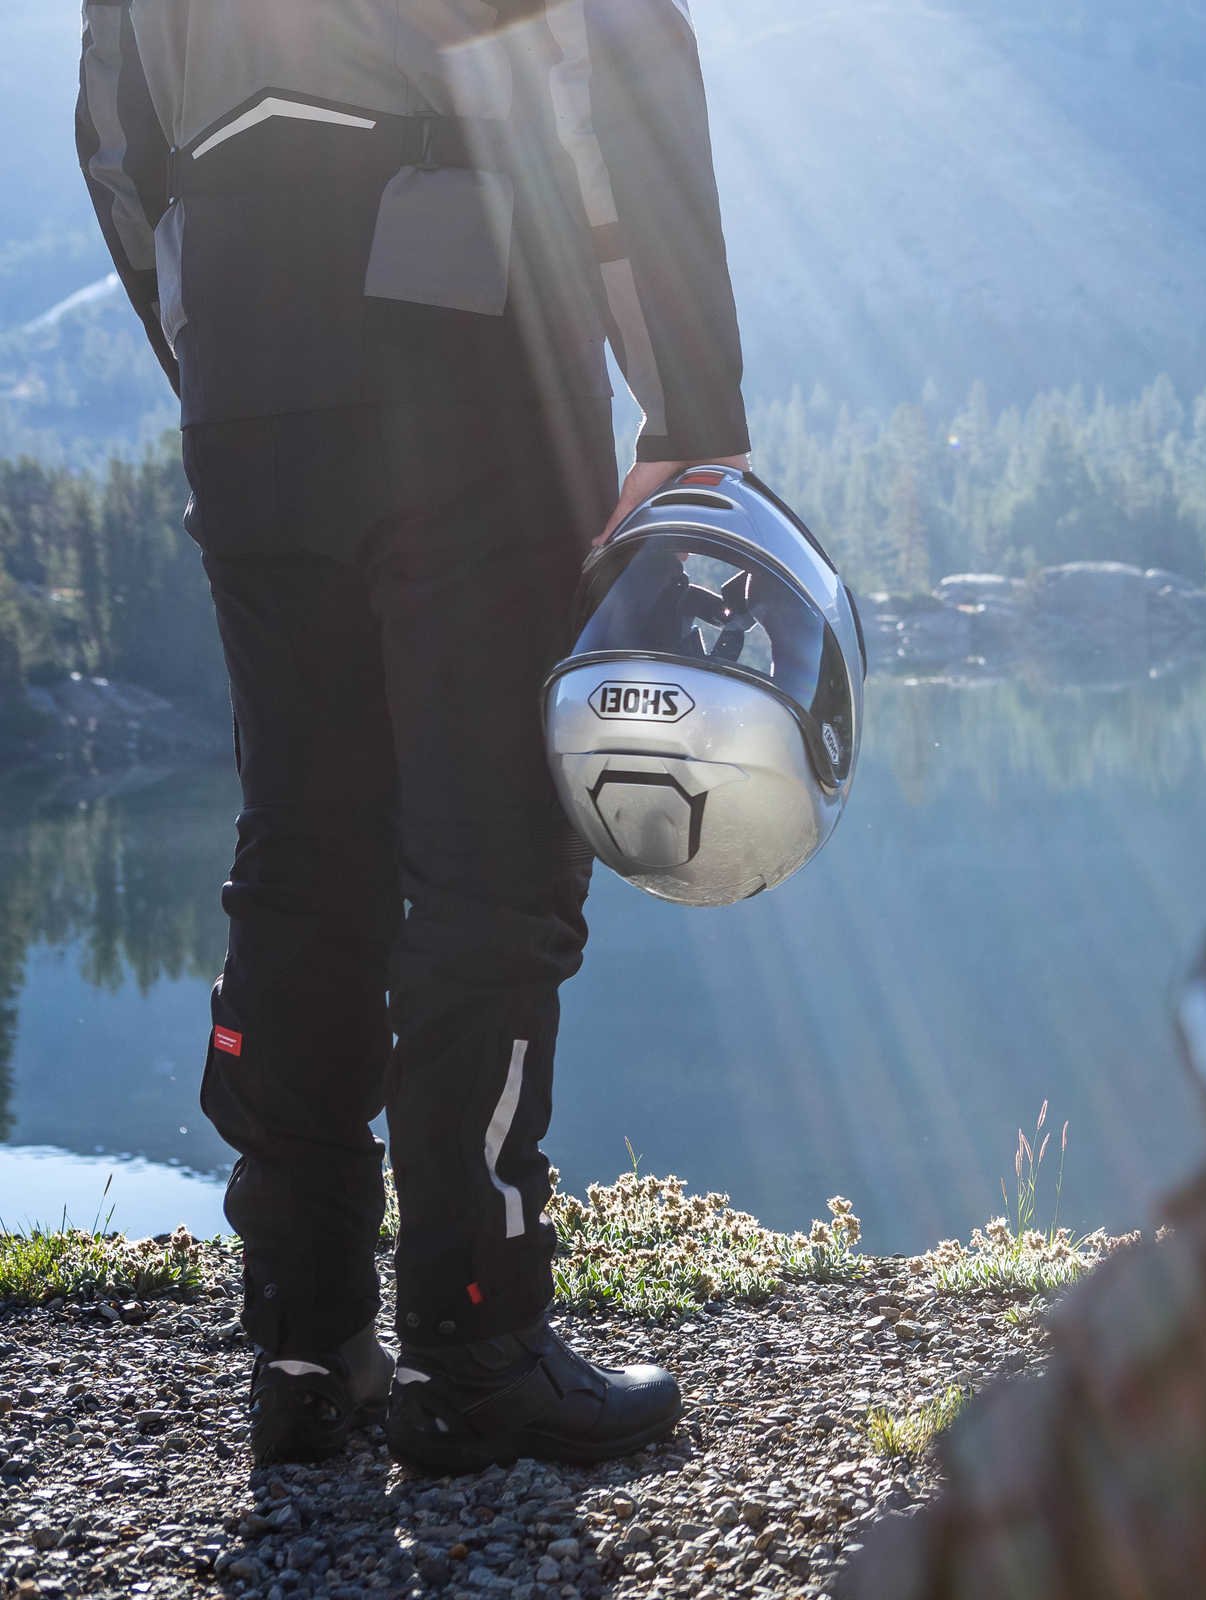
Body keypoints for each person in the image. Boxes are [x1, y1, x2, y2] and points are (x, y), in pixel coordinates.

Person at [74, 0, 752, 1469]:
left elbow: (116, 139)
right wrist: (693, 401)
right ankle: (476, 1341)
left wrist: (215, 334)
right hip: (464, 336)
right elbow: (617, 52)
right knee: (488, 858)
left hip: (245, 365)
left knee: (302, 851)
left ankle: (304, 1340)